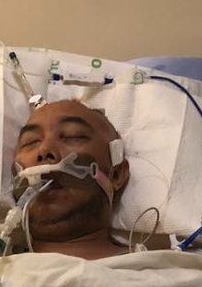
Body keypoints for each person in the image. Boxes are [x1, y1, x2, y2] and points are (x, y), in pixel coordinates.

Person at [14, 99, 131, 260]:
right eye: (31, 142)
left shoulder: (154, 270)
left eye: (73, 135)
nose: (45, 150)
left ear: (116, 174)